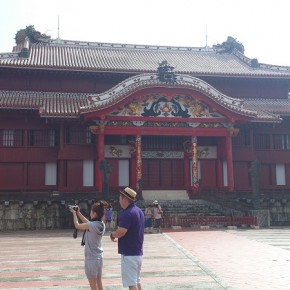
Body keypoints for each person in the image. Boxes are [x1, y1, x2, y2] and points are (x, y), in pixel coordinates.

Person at [110, 187, 144, 290]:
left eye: (120, 198)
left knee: (131, 283)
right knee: (137, 280)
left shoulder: (127, 213)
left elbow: (122, 231)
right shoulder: (139, 211)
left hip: (129, 254)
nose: (119, 200)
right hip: (138, 252)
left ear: (125, 199)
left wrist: (113, 235)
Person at [70, 201, 108, 290]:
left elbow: (77, 225)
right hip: (99, 257)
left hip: (91, 259)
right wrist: (78, 213)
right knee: (99, 281)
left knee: (93, 285)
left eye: (91, 211)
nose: (90, 213)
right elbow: (88, 223)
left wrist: (74, 214)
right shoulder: (101, 224)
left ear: (94, 213)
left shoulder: (91, 225)